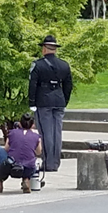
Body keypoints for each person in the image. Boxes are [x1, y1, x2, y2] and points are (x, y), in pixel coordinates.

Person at [28, 35, 73, 172]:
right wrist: (64, 100)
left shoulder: (38, 64)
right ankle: (55, 162)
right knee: (57, 133)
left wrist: (32, 102)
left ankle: (48, 163)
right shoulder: (64, 65)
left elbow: (33, 85)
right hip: (59, 100)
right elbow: (68, 85)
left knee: (46, 133)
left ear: (44, 49)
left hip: (43, 101)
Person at [0, 113, 42, 194]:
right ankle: (26, 180)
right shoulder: (36, 136)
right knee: (31, 159)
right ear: (33, 125)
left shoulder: (12, 133)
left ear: (19, 123)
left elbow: (6, 149)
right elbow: (39, 152)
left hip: (11, 167)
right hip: (28, 169)